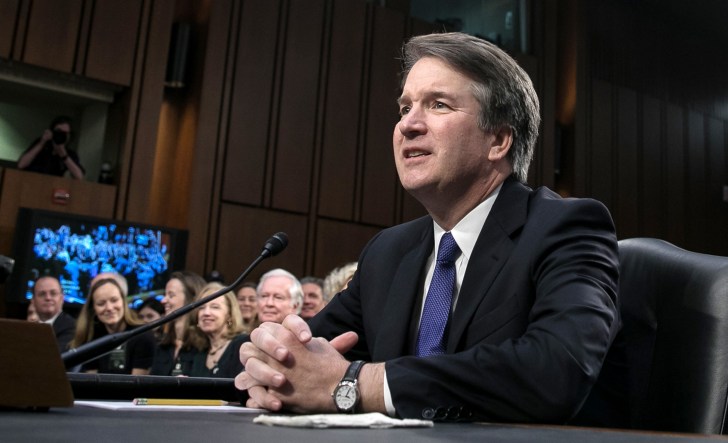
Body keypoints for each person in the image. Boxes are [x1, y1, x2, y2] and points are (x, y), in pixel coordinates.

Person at [236, 32, 619, 424]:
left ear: (499, 139)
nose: (408, 126)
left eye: (438, 105)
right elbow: (309, 357)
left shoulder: (566, 228)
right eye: (404, 109)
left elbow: (556, 370)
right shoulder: (387, 251)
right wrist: (272, 358)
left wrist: (361, 383)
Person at [69, 278, 156, 375]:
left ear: (123, 301)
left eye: (114, 300)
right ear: (93, 309)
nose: (109, 308)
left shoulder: (142, 335)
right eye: (101, 304)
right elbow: (91, 382)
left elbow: (138, 385)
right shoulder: (92, 337)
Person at [150, 270, 207, 376]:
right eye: (165, 294)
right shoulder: (163, 345)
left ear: (191, 299)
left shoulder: (205, 346)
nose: (163, 300)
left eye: (171, 295)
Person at [190, 282, 249, 378]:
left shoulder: (242, 344)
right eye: (202, 307)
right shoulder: (198, 350)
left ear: (230, 314)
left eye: (215, 307)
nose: (206, 313)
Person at [17, 115, 85, 179]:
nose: (61, 135)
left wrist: (64, 155)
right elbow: (21, 165)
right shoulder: (41, 144)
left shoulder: (70, 154)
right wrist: (42, 143)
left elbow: (79, 176)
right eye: (58, 131)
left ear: (69, 136)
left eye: (65, 133)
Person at [30, 276, 76, 353]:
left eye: (53, 293)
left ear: (62, 298)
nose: (48, 298)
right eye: (42, 294)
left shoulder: (72, 327)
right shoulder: (27, 328)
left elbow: (54, 357)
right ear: (33, 300)